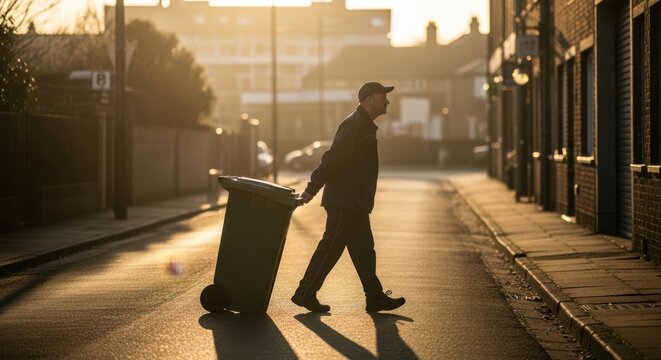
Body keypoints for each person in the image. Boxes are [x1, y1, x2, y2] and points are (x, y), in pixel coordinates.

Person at [291, 81, 406, 313]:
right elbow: (332, 158)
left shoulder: (363, 124)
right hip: (345, 200)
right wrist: (312, 188)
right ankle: (305, 292)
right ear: (370, 98)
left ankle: (374, 297)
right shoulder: (355, 124)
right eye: (383, 96)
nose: (387, 101)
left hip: (355, 201)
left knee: (364, 249)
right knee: (331, 247)